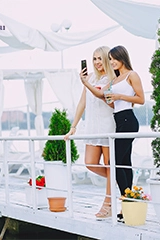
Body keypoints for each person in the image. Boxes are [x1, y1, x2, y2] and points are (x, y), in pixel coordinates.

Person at [80, 45, 145, 219]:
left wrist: (120, 97)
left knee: (115, 162)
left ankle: (128, 201)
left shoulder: (132, 75)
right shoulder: (114, 80)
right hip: (118, 120)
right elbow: (103, 97)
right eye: (110, 59)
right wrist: (87, 83)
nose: (112, 62)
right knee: (123, 163)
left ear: (122, 57)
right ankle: (129, 204)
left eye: (113, 58)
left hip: (129, 121)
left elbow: (141, 99)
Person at [64, 46, 116, 219]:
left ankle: (108, 204)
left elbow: (101, 95)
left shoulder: (112, 78)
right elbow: (82, 103)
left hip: (108, 125)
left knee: (110, 166)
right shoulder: (91, 77)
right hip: (93, 127)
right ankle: (117, 178)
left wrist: (86, 83)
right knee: (90, 163)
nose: (97, 62)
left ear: (107, 59)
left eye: (100, 58)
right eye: (94, 59)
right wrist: (74, 126)